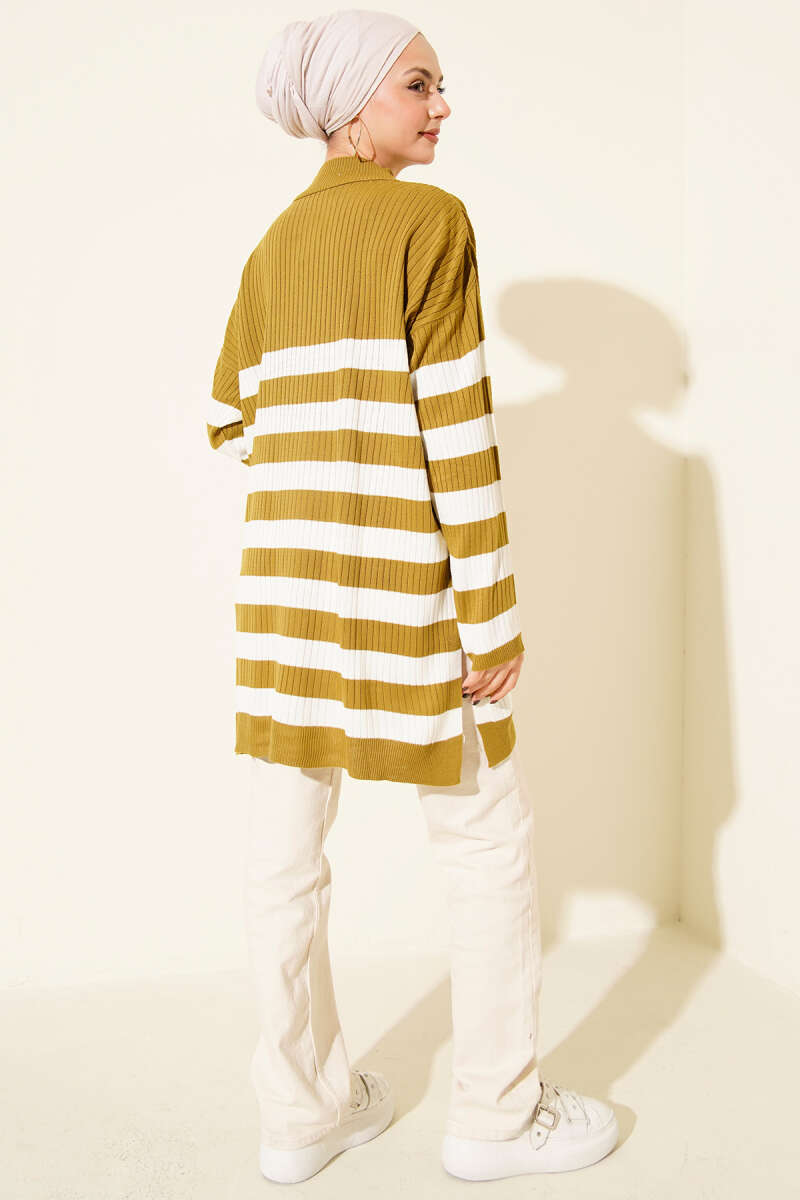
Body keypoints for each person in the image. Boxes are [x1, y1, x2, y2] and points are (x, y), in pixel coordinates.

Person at [206, 8, 619, 1184]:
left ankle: (301, 1114)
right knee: (486, 842)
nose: (440, 106)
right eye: (417, 85)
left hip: (287, 606)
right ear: (350, 106)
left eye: (438, 86)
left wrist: (317, 475)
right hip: (410, 598)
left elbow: (231, 414)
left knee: (284, 860)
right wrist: (490, 619)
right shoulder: (428, 223)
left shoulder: (272, 248)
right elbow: (456, 434)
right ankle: (494, 1117)